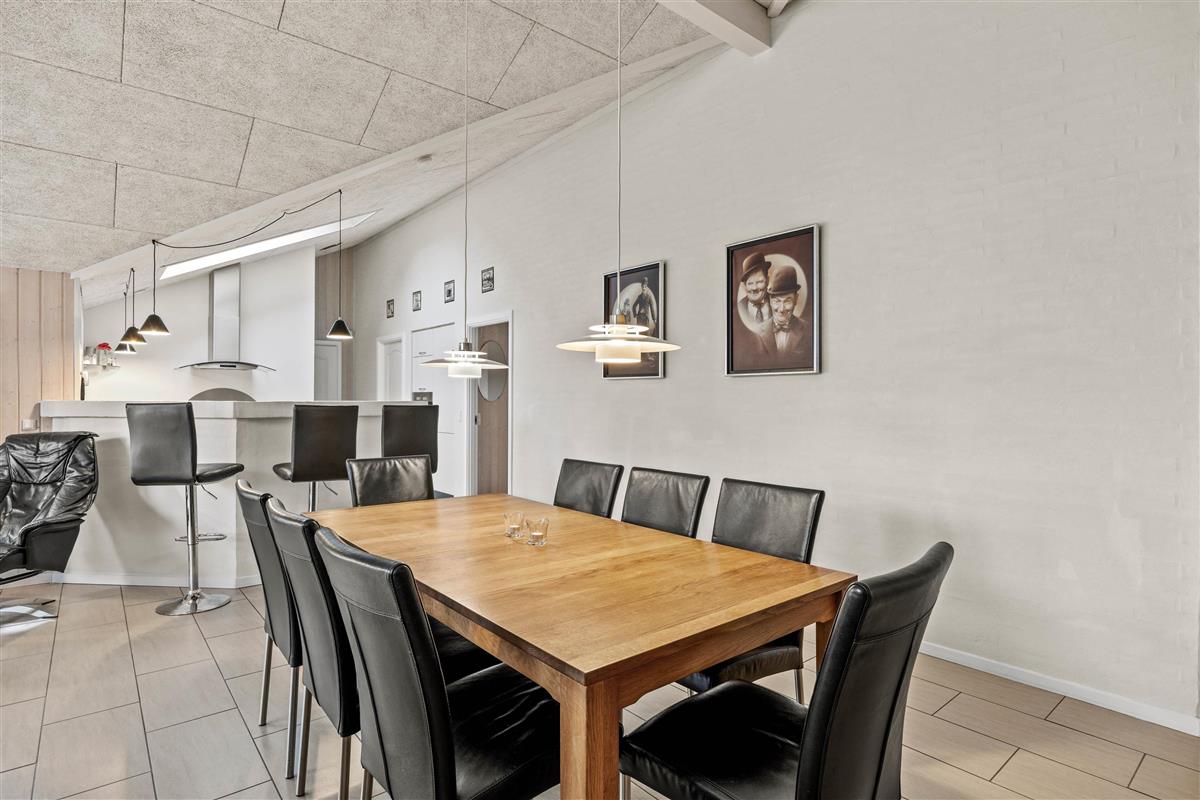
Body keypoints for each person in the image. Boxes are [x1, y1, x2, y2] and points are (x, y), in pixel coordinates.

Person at [752, 263, 813, 371]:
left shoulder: (809, 330)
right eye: (777, 301)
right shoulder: (757, 333)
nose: (781, 309)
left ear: (796, 299)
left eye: (787, 301)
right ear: (770, 301)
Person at [736, 253, 772, 334]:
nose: (754, 288)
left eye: (759, 282)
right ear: (745, 286)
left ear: (767, 281)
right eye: (750, 283)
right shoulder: (739, 308)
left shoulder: (778, 303)